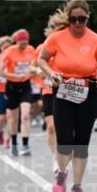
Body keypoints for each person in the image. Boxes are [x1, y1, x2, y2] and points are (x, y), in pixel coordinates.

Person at [37, 0, 97, 192]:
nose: (78, 24)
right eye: (74, 19)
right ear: (69, 18)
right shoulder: (56, 38)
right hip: (63, 89)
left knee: (82, 141)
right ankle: (62, 174)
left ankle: (77, 186)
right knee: (64, 139)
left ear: (88, 18)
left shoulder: (96, 39)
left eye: (82, 19)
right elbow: (42, 59)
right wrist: (50, 73)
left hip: (88, 91)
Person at [0, 30, 36, 156]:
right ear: (16, 41)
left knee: (25, 115)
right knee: (13, 117)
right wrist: (14, 75)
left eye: (26, 42)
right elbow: (1, 72)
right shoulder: (9, 51)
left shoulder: (31, 50)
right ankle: (14, 142)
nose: (24, 45)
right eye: (21, 43)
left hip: (25, 85)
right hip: (12, 86)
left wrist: (30, 73)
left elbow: (34, 67)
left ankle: (25, 145)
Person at [31, 20, 58, 172]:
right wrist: (37, 72)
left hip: (68, 91)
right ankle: (56, 158)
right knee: (52, 127)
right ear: (47, 31)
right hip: (49, 90)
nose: (53, 31)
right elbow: (32, 66)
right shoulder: (42, 48)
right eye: (51, 28)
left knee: (66, 127)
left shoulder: (66, 45)